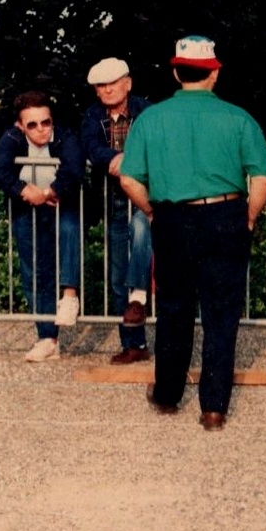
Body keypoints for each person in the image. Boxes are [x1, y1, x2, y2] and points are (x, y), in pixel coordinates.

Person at [119, 36, 266, 431]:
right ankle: (214, 407)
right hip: (225, 215)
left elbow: (130, 179)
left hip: (172, 218)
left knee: (174, 307)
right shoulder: (239, 119)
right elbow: (261, 178)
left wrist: (153, 211)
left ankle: (168, 394)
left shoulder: (150, 119)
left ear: (176, 71)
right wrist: (249, 217)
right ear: (214, 73)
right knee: (222, 314)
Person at [0, 91, 86, 362]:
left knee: (68, 236)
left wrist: (48, 192)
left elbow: (75, 169)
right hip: (27, 212)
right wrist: (23, 190)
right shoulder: (12, 138)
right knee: (34, 274)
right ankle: (47, 339)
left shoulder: (64, 135)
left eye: (46, 122)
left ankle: (69, 295)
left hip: (59, 206)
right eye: (32, 124)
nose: (41, 129)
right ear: (21, 125)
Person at [82, 56, 154, 364]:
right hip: (112, 200)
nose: (107, 90)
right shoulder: (91, 116)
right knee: (115, 276)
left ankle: (139, 296)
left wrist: (130, 160)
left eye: (112, 83)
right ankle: (133, 344)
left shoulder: (148, 113)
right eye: (101, 86)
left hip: (147, 197)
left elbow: (158, 146)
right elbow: (91, 147)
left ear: (128, 83)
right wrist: (113, 158)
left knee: (141, 227)